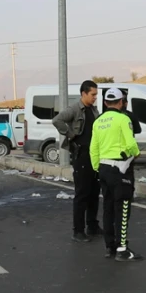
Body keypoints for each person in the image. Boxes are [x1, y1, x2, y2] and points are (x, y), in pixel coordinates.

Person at [90, 88, 143, 262]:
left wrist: (97, 168)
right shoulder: (123, 119)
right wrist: (136, 153)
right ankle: (122, 249)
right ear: (121, 102)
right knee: (123, 208)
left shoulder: (98, 122)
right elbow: (131, 144)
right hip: (120, 168)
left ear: (106, 103)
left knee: (108, 208)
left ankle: (110, 246)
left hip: (103, 168)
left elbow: (93, 149)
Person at [53, 80, 102, 242]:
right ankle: (78, 231)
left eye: (96, 94)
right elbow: (57, 120)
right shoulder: (74, 108)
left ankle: (92, 226)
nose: (95, 97)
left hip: (94, 156)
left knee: (94, 192)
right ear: (83, 94)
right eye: (92, 94)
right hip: (81, 156)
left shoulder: (94, 110)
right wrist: (70, 134)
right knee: (82, 194)